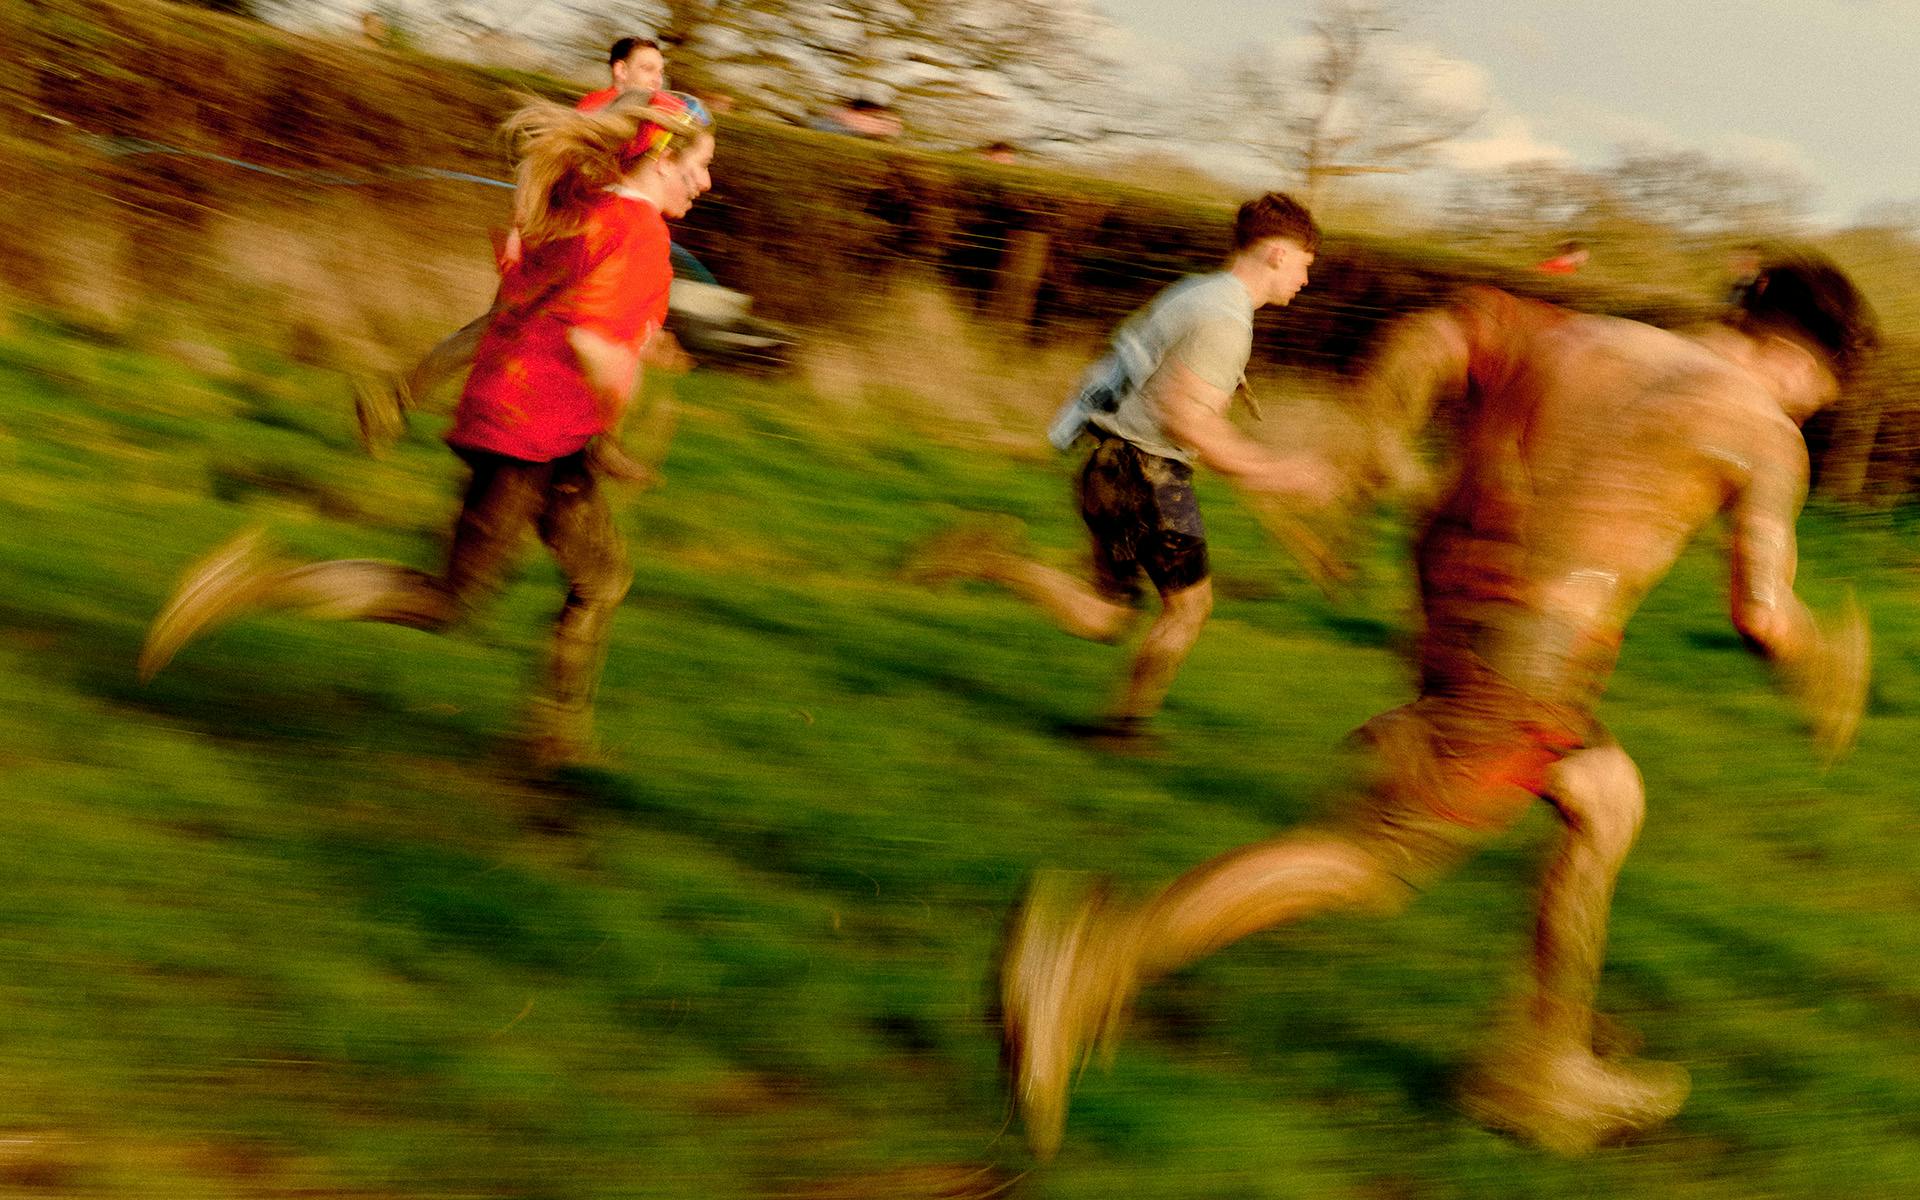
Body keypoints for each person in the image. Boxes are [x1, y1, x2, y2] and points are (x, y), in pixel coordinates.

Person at [999, 253, 1877, 1157]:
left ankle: (1541, 1061)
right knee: (1372, 858)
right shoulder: (1764, 433)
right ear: (1796, 356)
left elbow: (1439, 331)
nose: (1807, 407)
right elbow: (1762, 614)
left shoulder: (1590, 336)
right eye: (1816, 388)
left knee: (1605, 799)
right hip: (1535, 652)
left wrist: (1375, 445)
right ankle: (1092, 959)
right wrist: (1828, 665)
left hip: (1457, 596)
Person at [140, 91, 717, 766]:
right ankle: (257, 582)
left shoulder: (579, 216)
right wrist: (620, 409)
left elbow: (504, 320)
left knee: (602, 577)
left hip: (525, 428)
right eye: (700, 166)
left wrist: (408, 388)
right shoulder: (641, 236)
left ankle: (554, 739)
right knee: (448, 600)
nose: (704, 182)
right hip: (530, 439)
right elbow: (592, 342)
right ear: (661, 160)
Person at [911, 193, 1335, 751]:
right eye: (1306, 265)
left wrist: (1253, 463)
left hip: (1112, 464)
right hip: (1146, 475)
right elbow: (1187, 419)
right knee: (1188, 607)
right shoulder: (1226, 319)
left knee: (1106, 616)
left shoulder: (1199, 291)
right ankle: (1123, 727)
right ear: (1277, 253)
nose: (1305, 280)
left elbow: (1171, 397)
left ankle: (992, 561)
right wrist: (1283, 472)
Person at [354, 37, 670, 452]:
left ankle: (581, 439)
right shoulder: (599, 110)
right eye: (647, 68)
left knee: (549, 336)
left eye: (660, 70)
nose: (657, 78)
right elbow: (540, 166)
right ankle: (402, 400)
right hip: (563, 248)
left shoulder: (648, 120)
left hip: (598, 253)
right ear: (620, 72)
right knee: (503, 331)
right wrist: (522, 230)